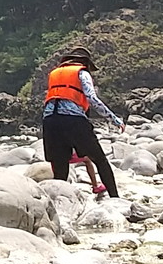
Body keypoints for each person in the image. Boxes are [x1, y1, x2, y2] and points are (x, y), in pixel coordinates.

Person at [41, 48, 124, 197]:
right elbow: (92, 98)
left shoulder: (54, 74)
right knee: (100, 160)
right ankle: (115, 197)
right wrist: (114, 118)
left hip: (50, 121)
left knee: (60, 166)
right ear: (85, 62)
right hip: (73, 120)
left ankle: (58, 202)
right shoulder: (82, 72)